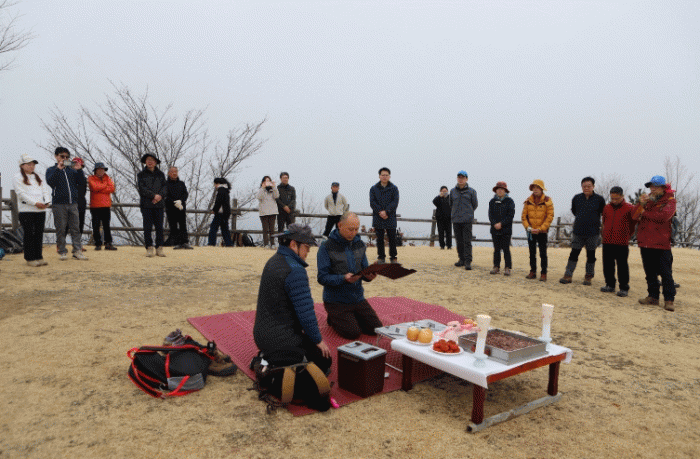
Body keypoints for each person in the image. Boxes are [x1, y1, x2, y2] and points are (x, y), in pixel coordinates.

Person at [252, 224, 332, 410]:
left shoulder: (274, 260)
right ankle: (269, 366)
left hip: (262, 335)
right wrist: (318, 340)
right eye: (307, 247)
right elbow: (306, 312)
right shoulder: (295, 270)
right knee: (323, 359)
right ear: (294, 244)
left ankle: (265, 359)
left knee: (316, 357)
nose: (308, 252)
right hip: (282, 340)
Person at [317, 212, 381, 339]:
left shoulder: (360, 244)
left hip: (357, 298)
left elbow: (364, 270)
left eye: (356, 229)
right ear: (340, 225)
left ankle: (349, 317)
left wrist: (369, 275)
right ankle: (332, 318)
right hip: (336, 301)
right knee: (353, 333)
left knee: (377, 329)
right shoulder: (326, 247)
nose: (354, 233)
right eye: (350, 229)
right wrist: (343, 278)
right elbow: (322, 277)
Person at [632, 176, 677, 311]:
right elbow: (634, 216)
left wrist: (644, 213)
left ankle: (669, 300)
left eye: (656, 187)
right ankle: (653, 297)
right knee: (650, 272)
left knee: (666, 273)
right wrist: (640, 204)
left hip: (661, 243)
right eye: (651, 186)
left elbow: (663, 217)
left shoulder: (670, 201)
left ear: (663, 188)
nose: (652, 189)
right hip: (645, 241)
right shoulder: (647, 201)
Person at [560, 177, 606, 285]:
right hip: (578, 231)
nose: (586, 188)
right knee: (574, 253)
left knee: (591, 255)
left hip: (593, 232)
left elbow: (603, 213)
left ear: (593, 186)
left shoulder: (599, 199)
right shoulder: (576, 198)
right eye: (584, 186)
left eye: (589, 186)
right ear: (581, 187)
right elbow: (574, 211)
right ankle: (568, 275)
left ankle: (588, 276)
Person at [46, 147, 87, 260]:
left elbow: (81, 182)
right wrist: (58, 169)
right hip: (59, 204)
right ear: (56, 156)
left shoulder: (72, 170)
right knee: (61, 228)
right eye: (62, 156)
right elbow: (51, 182)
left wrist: (79, 170)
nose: (64, 158)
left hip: (73, 203)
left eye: (67, 157)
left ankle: (77, 251)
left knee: (76, 228)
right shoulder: (51, 170)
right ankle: (62, 251)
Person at [13, 154, 51, 267]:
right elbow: (21, 194)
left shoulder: (38, 176)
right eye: (29, 164)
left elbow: (45, 190)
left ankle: (39, 256)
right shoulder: (17, 177)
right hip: (26, 210)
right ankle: (30, 258)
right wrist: (35, 203)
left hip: (40, 210)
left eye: (33, 164)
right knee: (29, 234)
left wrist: (47, 201)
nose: (32, 166)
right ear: (22, 165)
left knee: (39, 233)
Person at [600, 187, 636, 297]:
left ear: (622, 196)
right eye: (612, 198)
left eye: (616, 198)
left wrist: (627, 235)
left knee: (622, 265)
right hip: (607, 241)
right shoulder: (606, 208)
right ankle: (610, 284)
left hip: (622, 242)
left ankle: (624, 287)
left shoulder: (630, 208)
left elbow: (633, 224)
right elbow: (604, 221)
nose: (614, 201)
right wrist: (604, 234)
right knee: (607, 264)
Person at [522, 179, 554, 281]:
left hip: (542, 232)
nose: (535, 190)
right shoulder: (528, 201)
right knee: (532, 253)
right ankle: (533, 271)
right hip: (530, 231)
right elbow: (524, 217)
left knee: (543, 253)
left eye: (538, 188)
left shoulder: (547, 201)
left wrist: (540, 229)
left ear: (542, 189)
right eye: (534, 188)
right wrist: (528, 228)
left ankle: (543, 273)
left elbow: (550, 217)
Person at [137, 153, 167, 257]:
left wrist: (160, 196)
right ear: (145, 161)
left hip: (159, 204)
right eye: (148, 160)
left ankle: (159, 248)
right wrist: (154, 195)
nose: (150, 162)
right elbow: (142, 189)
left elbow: (165, 187)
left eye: (152, 160)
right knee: (147, 227)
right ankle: (149, 247)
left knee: (159, 227)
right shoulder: (141, 174)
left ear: (156, 162)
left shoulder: (161, 174)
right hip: (146, 204)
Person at [369, 167, 399, 263]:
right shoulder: (373, 188)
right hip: (378, 216)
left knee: (392, 238)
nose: (384, 177)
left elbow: (395, 202)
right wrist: (380, 212)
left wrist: (386, 212)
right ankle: (381, 257)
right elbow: (372, 202)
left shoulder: (394, 188)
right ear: (379, 176)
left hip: (390, 216)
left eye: (386, 175)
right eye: (383, 175)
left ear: (389, 176)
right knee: (380, 239)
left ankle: (393, 257)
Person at [450, 170, 478, 270]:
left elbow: (474, 205)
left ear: (466, 179)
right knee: (459, 241)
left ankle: (468, 261)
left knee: (467, 241)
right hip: (456, 220)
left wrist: (468, 213)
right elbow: (451, 204)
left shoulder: (472, 191)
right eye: (459, 177)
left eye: (463, 178)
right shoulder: (452, 191)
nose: (460, 179)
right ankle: (461, 259)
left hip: (467, 220)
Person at [88, 162, 117, 251]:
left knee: (106, 225)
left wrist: (100, 188)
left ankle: (108, 243)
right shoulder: (91, 178)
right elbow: (94, 187)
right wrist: (105, 186)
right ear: (95, 170)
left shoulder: (108, 178)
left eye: (102, 169)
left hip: (106, 205)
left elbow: (112, 188)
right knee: (96, 225)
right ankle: (98, 243)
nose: (101, 171)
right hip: (95, 205)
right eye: (99, 169)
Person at [488, 181, 515, 276]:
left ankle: (507, 267)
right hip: (494, 229)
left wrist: (501, 224)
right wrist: (495, 223)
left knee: (506, 249)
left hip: (506, 229)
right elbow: (490, 215)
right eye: (498, 189)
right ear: (496, 190)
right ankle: (496, 266)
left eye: (502, 189)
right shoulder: (492, 201)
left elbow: (510, 215)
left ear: (505, 190)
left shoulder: (510, 201)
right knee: (496, 249)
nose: (500, 191)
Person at [165, 167, 192, 249]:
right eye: (172, 172)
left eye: (176, 171)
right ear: (169, 173)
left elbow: (185, 194)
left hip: (181, 208)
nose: (174, 173)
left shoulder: (181, 183)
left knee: (183, 225)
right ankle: (175, 242)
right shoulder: (165, 184)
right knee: (173, 226)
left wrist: (180, 201)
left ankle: (184, 242)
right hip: (170, 208)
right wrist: (174, 202)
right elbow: (165, 196)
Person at [208, 177, 234, 247]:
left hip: (220, 212)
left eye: (215, 184)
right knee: (225, 229)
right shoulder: (225, 190)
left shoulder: (221, 190)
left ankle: (211, 243)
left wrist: (214, 210)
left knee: (213, 228)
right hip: (226, 213)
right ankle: (229, 244)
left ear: (218, 183)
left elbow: (218, 202)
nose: (215, 186)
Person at [257, 176, 280, 248]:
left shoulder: (272, 189)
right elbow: (259, 197)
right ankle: (266, 244)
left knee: (272, 229)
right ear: (263, 182)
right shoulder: (261, 190)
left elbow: (276, 196)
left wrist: (274, 187)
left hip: (272, 211)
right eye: (265, 181)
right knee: (265, 229)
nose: (267, 182)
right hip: (263, 212)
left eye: (268, 181)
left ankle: (273, 244)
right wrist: (263, 188)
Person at [70, 157, 88, 244]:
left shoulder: (83, 176)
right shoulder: (68, 175)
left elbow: (82, 190)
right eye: (74, 164)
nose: (76, 165)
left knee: (80, 223)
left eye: (78, 164)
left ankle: (77, 243)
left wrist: (79, 170)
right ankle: (61, 244)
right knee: (66, 224)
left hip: (80, 202)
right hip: (69, 202)